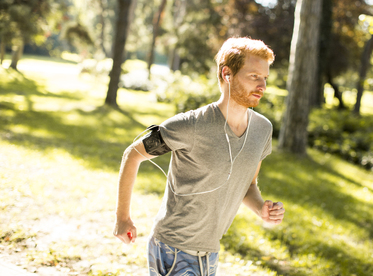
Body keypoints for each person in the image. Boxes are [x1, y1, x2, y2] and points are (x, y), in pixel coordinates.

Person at [113, 37, 285, 276]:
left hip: (210, 252)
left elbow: (249, 184)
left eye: (265, 78)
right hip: (173, 249)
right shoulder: (191, 125)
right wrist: (123, 218)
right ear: (227, 74)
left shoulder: (262, 130)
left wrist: (260, 208)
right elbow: (133, 154)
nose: (263, 86)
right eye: (254, 76)